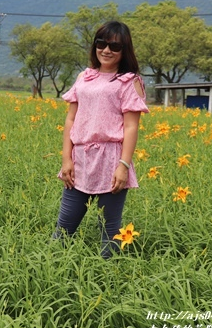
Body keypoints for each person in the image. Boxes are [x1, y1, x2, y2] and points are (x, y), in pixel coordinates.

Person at [53, 21, 149, 259]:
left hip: (111, 159)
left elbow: (131, 126)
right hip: (80, 158)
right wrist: (66, 158)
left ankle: (107, 279)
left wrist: (123, 165)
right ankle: (51, 271)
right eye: (101, 43)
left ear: (124, 50)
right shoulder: (84, 77)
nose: (106, 50)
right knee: (64, 228)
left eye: (114, 46)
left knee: (110, 229)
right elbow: (70, 119)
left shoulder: (129, 80)